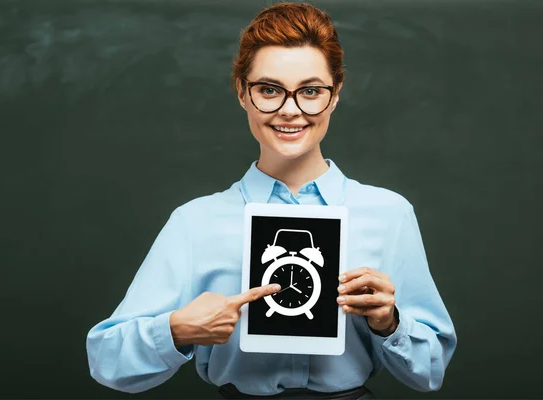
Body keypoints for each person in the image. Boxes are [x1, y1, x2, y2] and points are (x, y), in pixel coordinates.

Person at [85, 3, 457, 399]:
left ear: (335, 95)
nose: (290, 110)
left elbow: (430, 371)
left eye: (311, 91)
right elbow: (108, 360)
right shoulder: (195, 223)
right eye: (269, 90)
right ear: (242, 93)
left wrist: (389, 322)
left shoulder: (390, 215)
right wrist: (178, 329)